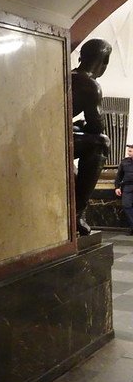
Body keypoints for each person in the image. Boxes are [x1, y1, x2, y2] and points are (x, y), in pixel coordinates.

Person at [72, 38, 113, 235]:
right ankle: (77, 212)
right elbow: (97, 126)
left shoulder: (68, 75)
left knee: (81, 129)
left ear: (81, 57)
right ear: (104, 61)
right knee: (101, 143)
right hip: (49, 139)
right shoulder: (90, 85)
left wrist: (77, 126)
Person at [116, 144, 133, 235]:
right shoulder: (124, 162)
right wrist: (117, 187)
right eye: (128, 151)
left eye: (130, 151)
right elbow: (119, 175)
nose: (128, 153)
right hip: (127, 186)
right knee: (126, 205)